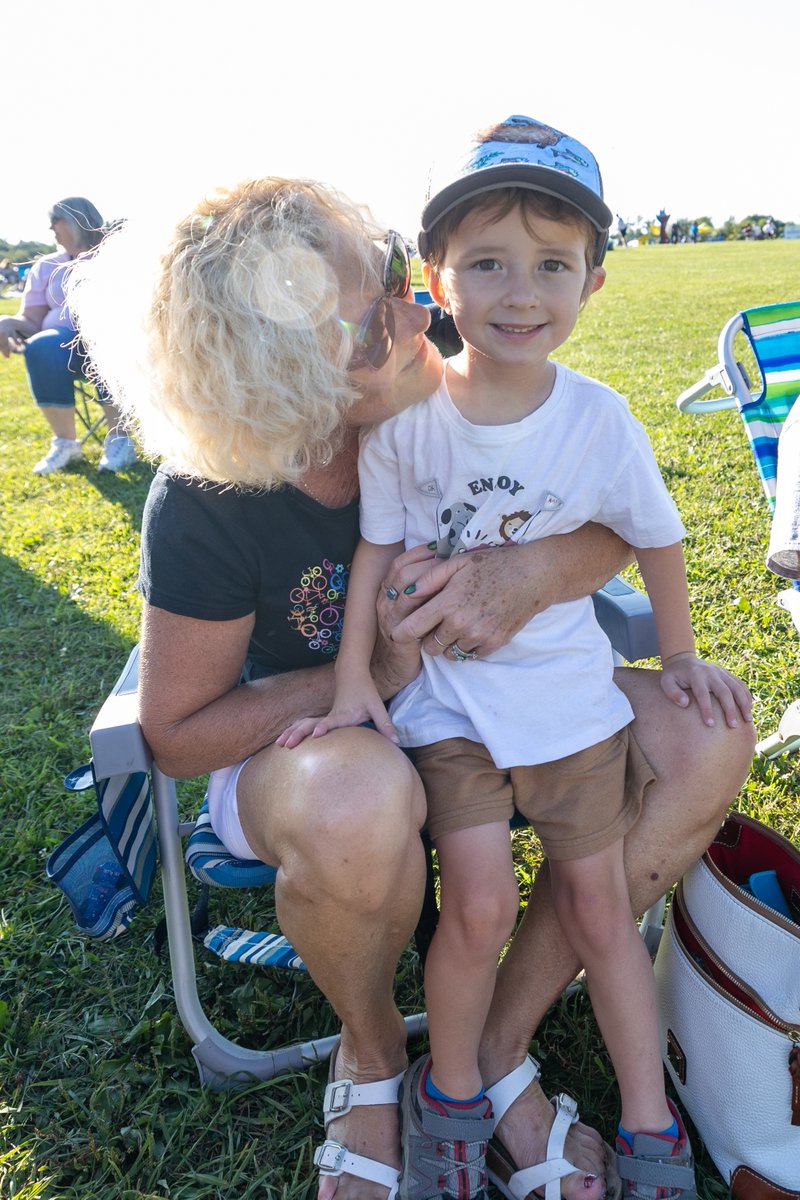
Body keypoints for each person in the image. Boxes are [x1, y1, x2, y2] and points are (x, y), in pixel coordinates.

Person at [72, 174, 755, 1200]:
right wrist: (375, 669)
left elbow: (615, 513)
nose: (417, 313)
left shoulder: (455, 385)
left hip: (502, 701)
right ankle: (373, 1051)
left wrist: (529, 572)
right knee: (358, 793)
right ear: (277, 380)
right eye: (369, 324)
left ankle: (492, 1047)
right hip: (320, 750)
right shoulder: (211, 499)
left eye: (395, 279)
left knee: (702, 741)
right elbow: (174, 733)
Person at [279, 116, 752, 1200]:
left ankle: (648, 1129)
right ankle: (449, 1100)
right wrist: (356, 678)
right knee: (480, 908)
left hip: (570, 710)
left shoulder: (599, 420)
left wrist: (674, 655)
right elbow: (376, 551)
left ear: (593, 284)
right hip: (450, 712)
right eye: (485, 262)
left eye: (551, 265)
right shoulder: (406, 423)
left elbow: (656, 537)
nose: (519, 291)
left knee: (598, 913)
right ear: (435, 278)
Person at [0, 197, 138, 474]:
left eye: (56, 220)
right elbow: (32, 320)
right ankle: (65, 443)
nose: (51, 228)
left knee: (101, 339)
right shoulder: (46, 266)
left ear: (77, 220)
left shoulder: (117, 258)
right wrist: (6, 320)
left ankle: (119, 438)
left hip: (115, 345)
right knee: (41, 345)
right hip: (61, 347)